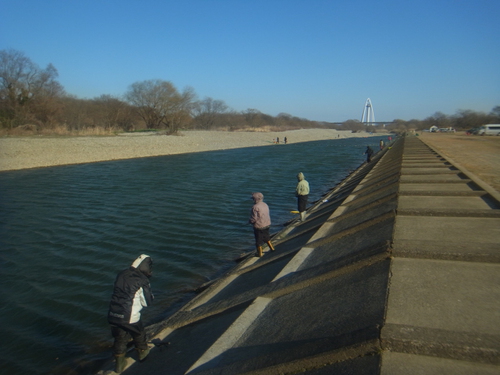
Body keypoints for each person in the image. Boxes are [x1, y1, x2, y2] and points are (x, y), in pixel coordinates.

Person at [108, 254, 154, 373]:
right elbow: (147, 302)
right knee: (139, 334)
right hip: (130, 316)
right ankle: (143, 354)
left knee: (119, 338)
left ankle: (119, 365)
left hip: (113, 313)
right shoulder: (142, 280)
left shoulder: (122, 274)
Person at [249, 192, 275, 257]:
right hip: (267, 224)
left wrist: (250, 221)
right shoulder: (265, 204)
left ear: (255, 199)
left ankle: (259, 254)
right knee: (266, 237)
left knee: (258, 240)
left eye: (253, 199)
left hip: (259, 226)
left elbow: (254, 218)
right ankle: (272, 248)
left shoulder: (255, 207)